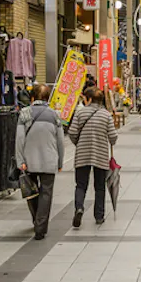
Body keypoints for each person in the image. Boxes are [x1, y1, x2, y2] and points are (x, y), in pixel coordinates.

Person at [15, 84, 66, 240]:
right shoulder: (55, 115)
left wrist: (20, 160)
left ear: (32, 98)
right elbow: (60, 141)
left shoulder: (24, 113)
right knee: (46, 193)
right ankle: (40, 227)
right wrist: (60, 162)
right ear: (47, 98)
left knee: (31, 192)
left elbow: (19, 139)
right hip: (49, 161)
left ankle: (36, 219)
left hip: (29, 161)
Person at [68, 87, 118, 228]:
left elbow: (72, 132)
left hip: (82, 155)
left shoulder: (80, 113)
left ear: (89, 99)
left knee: (81, 185)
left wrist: (79, 142)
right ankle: (99, 216)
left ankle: (79, 208)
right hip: (100, 155)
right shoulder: (106, 115)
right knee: (100, 186)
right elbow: (113, 136)